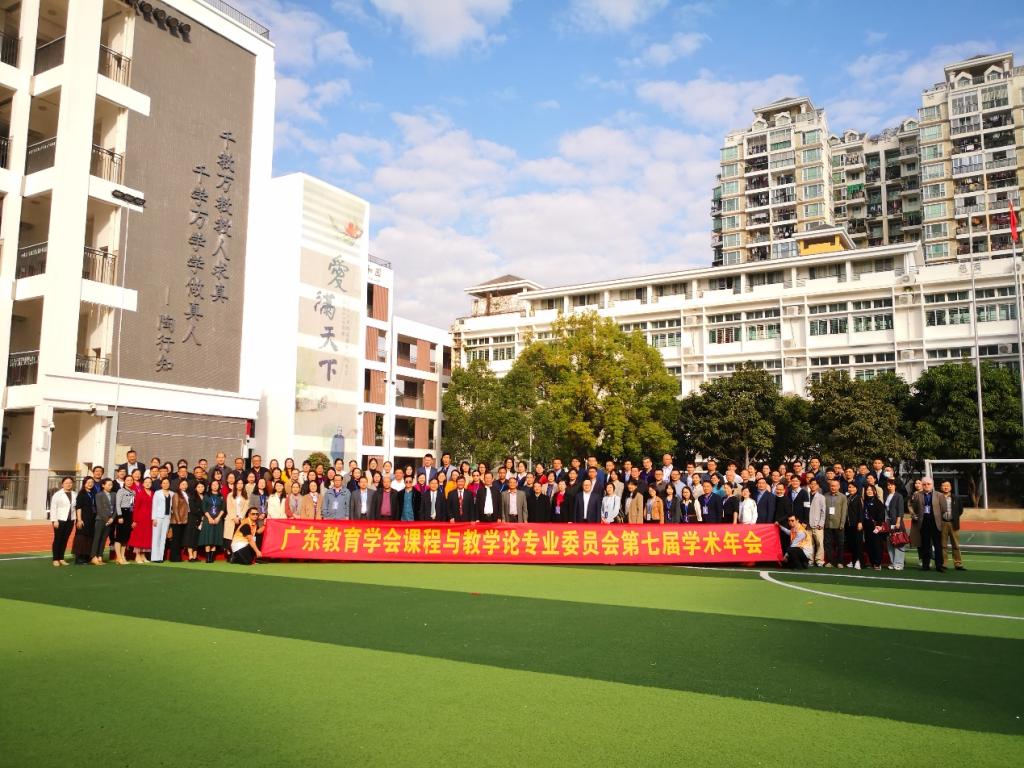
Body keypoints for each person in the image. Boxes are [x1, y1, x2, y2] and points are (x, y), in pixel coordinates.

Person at [909, 477, 947, 572]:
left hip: (935, 522)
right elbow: (914, 507)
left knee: (938, 545)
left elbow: (943, 509)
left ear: (932, 485)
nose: (926, 486)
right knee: (925, 545)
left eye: (928, 484)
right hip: (923, 522)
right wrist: (916, 515)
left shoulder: (939, 495)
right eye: (924, 484)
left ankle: (939, 565)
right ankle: (925, 565)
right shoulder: (918, 495)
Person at [938, 480, 966, 571]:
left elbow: (960, 510)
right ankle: (944, 563)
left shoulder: (956, 498)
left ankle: (958, 564)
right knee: (943, 545)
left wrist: (954, 517)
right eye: (944, 486)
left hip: (953, 523)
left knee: (956, 545)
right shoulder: (938, 497)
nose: (946, 487)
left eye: (947, 486)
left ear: (951, 487)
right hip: (942, 523)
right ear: (941, 487)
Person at [49, 476, 76, 567]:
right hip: (60, 520)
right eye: (66, 483)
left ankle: (61, 558)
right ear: (62, 484)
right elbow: (53, 508)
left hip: (70, 520)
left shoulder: (75, 494)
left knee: (65, 539)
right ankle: (55, 559)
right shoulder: (57, 494)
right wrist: (54, 520)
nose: (69, 484)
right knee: (58, 539)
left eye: (70, 483)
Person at [90, 478, 116, 565]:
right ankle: (93, 556)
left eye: (111, 485)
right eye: (108, 485)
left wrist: (112, 518)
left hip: (110, 520)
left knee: (104, 539)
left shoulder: (114, 494)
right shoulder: (99, 495)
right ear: (103, 485)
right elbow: (99, 509)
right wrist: (107, 519)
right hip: (101, 519)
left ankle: (100, 556)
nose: (110, 486)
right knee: (97, 538)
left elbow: (116, 507)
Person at [883, 478, 907, 570]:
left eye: (891, 485)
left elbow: (900, 510)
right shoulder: (887, 495)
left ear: (895, 486)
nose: (889, 486)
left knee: (898, 542)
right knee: (890, 542)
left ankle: (899, 563)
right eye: (888, 485)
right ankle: (892, 562)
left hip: (896, 522)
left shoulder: (899, 496)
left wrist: (898, 522)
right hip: (888, 522)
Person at [199, 480, 225, 562]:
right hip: (208, 519)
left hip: (218, 519)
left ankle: (212, 558)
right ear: (210, 486)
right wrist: (209, 518)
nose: (215, 486)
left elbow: (223, 508)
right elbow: (204, 508)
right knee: (208, 538)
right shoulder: (206, 496)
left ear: (219, 486)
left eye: (216, 484)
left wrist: (218, 518)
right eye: (213, 484)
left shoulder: (221, 496)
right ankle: (207, 558)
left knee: (215, 538)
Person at [861, 485, 887, 570]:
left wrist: (878, 525)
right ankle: (872, 563)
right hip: (866, 527)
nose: (869, 491)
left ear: (874, 492)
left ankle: (877, 563)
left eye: (871, 490)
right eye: (867, 490)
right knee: (869, 545)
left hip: (875, 527)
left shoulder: (878, 502)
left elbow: (881, 515)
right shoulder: (864, 501)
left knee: (877, 545)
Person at [112, 475, 136, 565]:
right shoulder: (120, 491)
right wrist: (119, 516)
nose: (129, 482)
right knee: (119, 536)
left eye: (131, 480)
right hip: (122, 513)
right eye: (128, 480)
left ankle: (122, 556)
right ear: (124, 481)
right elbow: (118, 504)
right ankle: (118, 557)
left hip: (130, 513)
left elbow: (133, 505)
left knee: (125, 537)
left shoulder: (133, 492)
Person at [150, 477, 173, 563]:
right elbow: (154, 505)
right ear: (161, 484)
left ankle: (160, 557)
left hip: (167, 517)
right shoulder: (157, 493)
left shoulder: (172, 493)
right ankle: (155, 557)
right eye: (164, 483)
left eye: (167, 483)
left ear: (169, 484)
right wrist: (154, 518)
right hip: (158, 517)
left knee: (163, 538)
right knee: (156, 537)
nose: (165, 484)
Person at [185, 480, 207, 562]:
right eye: (199, 487)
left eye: (202, 487)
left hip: (202, 520)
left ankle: (195, 556)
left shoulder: (205, 496)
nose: (201, 488)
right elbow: (193, 509)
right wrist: (202, 514)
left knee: (197, 537)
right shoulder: (192, 497)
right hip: (193, 519)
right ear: (195, 488)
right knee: (191, 537)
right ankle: (190, 556)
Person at [807, 479, 826, 567]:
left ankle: (819, 560)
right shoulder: (806, 496)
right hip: (808, 524)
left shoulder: (821, 497)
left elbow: (823, 511)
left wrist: (821, 523)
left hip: (817, 524)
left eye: (815, 484)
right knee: (809, 544)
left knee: (819, 543)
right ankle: (810, 560)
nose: (813, 486)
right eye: (811, 484)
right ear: (809, 485)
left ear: (818, 486)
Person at [845, 482, 863, 569]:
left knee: (857, 543)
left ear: (856, 488)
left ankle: (858, 561)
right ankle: (853, 560)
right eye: (849, 487)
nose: (850, 489)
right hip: (849, 524)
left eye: (852, 487)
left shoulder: (858, 498)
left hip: (856, 524)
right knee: (852, 543)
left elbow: (861, 511)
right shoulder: (848, 497)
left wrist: (860, 522)